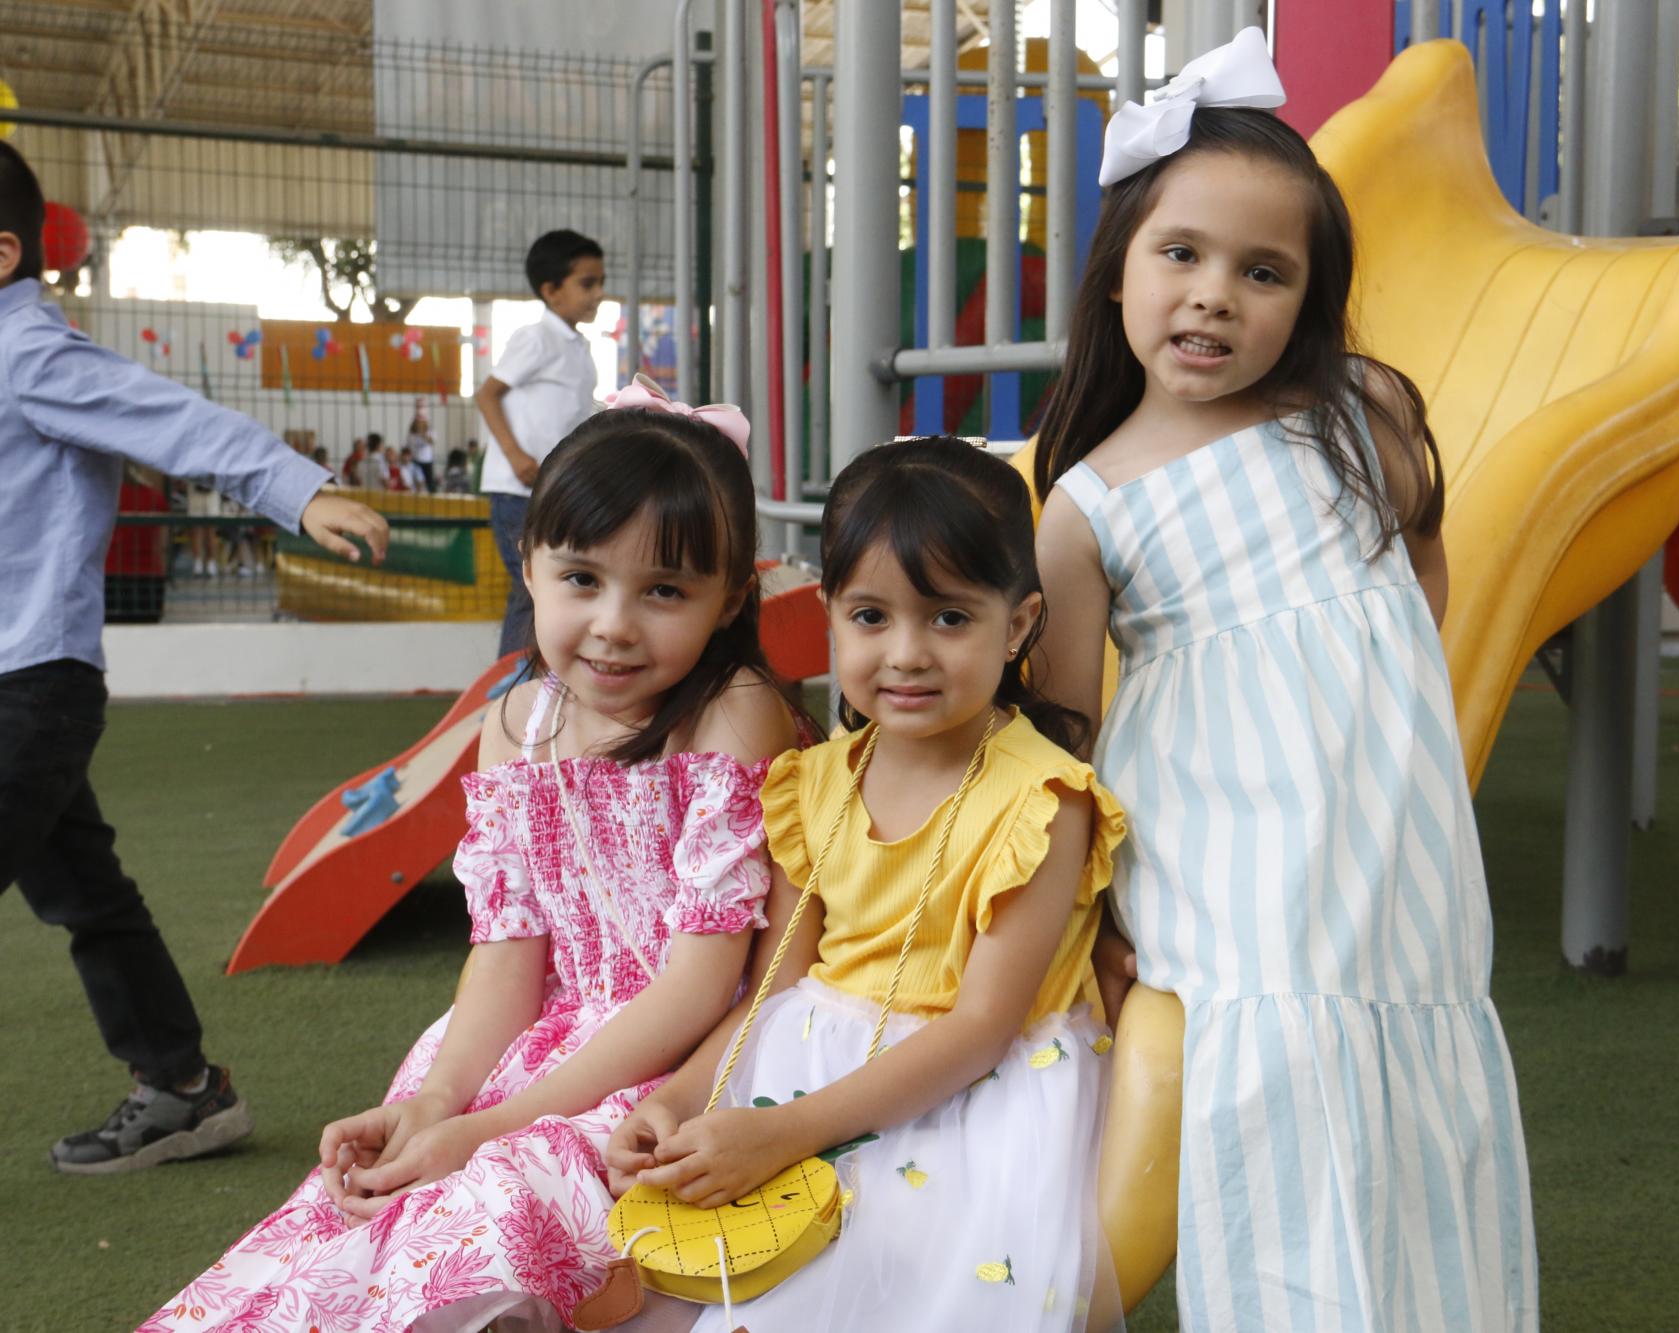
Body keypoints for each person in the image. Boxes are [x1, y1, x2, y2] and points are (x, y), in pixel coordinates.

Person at [1029, 31, 1537, 1333]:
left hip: (1390, 850)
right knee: (1271, 1092)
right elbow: (1063, 736)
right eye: (1181, 256)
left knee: (1404, 1078)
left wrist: (1380, 726)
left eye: (1264, 272)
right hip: (1223, 848)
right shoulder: (1084, 507)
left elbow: (1418, 588)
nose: (1214, 296)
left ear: (1309, 298)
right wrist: (1089, 923)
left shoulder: (1357, 414)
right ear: (1118, 272)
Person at [143, 382, 806, 1331]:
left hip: (679, 1063)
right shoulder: (517, 727)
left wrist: (492, 1123)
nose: (615, 622)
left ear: (730, 596)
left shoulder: (728, 713)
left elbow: (701, 985)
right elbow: (505, 955)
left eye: (664, 590)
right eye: (582, 578)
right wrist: (442, 1097)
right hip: (537, 1045)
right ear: (527, 566)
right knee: (357, 1226)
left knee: (489, 1203)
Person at [607, 437, 1127, 1333]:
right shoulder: (818, 782)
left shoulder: (1041, 798)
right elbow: (774, 986)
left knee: (851, 1287)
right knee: (661, 1285)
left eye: (950, 618)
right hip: (806, 1060)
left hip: (971, 1095)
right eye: (872, 616)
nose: (908, 653)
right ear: (831, 617)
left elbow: (979, 1029)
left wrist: (783, 1132)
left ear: (1020, 623)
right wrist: (680, 1095)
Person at [0, 140, 390, 1174]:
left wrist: (294, 487)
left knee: (85, 890)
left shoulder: (30, 353)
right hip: (16, 682)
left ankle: (181, 1088)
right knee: (86, 891)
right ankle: (184, 1089)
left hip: (27, 687)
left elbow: (170, 419)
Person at [476, 228, 606, 658]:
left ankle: (517, 681)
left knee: (535, 589)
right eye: (587, 284)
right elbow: (487, 393)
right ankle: (515, 683)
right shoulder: (536, 338)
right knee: (535, 589)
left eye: (600, 283)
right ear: (551, 291)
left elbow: (577, 413)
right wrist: (515, 456)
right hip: (518, 490)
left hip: (549, 490)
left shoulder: (578, 348)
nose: (598, 294)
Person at [406, 411, 437, 492]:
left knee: (429, 481)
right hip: (415, 460)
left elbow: (432, 441)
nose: (419, 424)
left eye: (421, 422)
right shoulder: (411, 434)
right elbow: (408, 446)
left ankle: (432, 495)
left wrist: (424, 434)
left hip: (427, 461)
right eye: (417, 422)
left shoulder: (430, 432)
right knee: (416, 480)